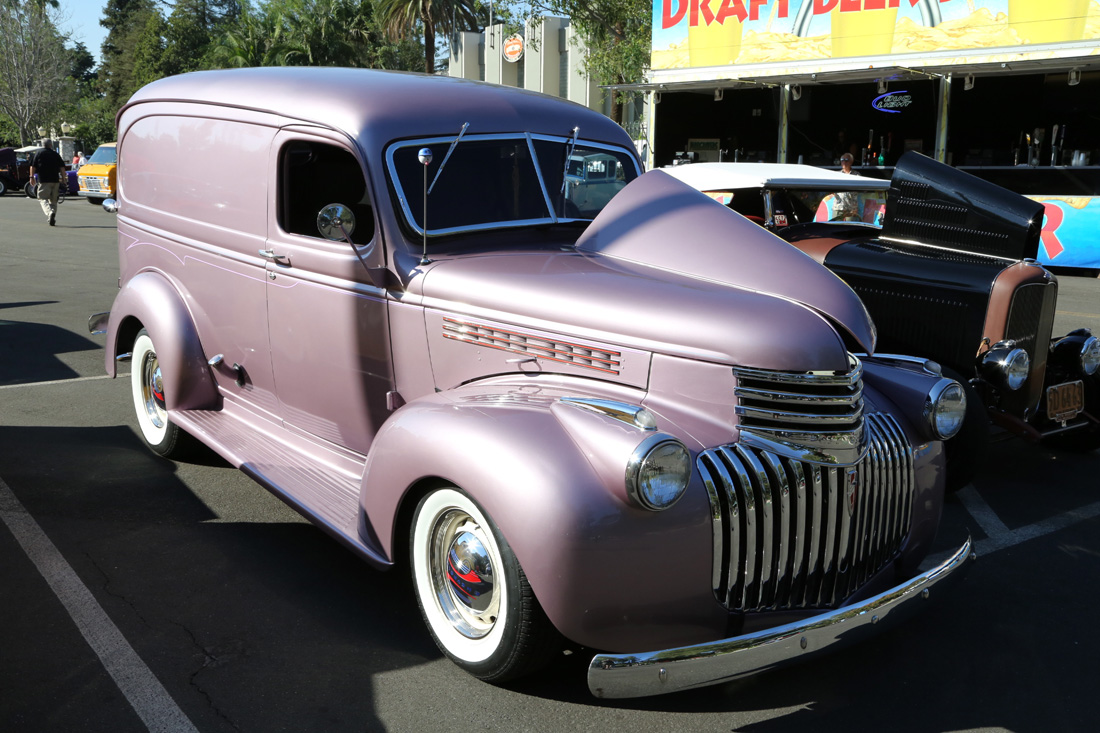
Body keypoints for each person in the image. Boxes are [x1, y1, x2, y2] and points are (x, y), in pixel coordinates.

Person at [29, 140, 65, 226]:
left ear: (42, 145)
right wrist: (64, 179)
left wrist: (31, 177)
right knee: (53, 200)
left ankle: (49, 212)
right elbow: (62, 167)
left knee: (42, 198)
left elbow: (33, 166)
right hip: (55, 180)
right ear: (50, 145)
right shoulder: (55, 154)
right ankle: (51, 217)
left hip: (44, 180)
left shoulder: (38, 153)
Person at [833, 153, 861, 221]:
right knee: (835, 226)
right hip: (838, 206)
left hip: (851, 208)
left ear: (851, 162)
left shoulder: (856, 175)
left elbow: (860, 188)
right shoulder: (836, 175)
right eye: (842, 160)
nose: (844, 162)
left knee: (849, 226)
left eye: (846, 160)